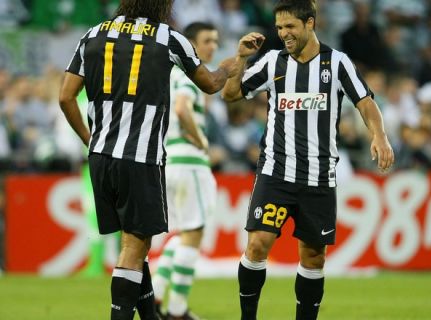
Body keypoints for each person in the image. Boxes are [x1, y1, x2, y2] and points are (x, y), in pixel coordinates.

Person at [58, 1, 236, 319]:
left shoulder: (93, 34)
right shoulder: (168, 37)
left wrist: (90, 139)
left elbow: (65, 96)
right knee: (133, 247)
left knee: (136, 245)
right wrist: (227, 68)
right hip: (140, 157)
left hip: (100, 158)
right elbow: (210, 84)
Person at [222, 1, 395, 319]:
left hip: (318, 177)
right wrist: (242, 58)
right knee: (258, 244)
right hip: (276, 172)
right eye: (279, 28)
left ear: (310, 23)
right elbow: (231, 94)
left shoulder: (338, 63)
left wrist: (379, 136)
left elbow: (366, 102)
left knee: (314, 257)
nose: (283, 33)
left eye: (290, 26)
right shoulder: (273, 62)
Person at [150, 22, 220, 320]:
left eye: (215, 40)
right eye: (207, 40)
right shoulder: (190, 74)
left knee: (182, 234)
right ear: (190, 44)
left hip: (171, 162)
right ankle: (177, 309)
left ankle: (155, 293)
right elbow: (181, 109)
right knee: (194, 233)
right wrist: (202, 140)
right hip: (190, 162)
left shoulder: (169, 74)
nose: (212, 46)